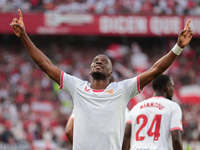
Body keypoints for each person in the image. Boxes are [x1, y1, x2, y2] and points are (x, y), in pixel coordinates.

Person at [10, 9, 193, 150]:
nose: (99, 62)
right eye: (95, 61)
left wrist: (178, 46)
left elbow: (156, 70)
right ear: (89, 71)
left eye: (104, 62)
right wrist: (24, 36)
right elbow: (46, 65)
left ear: (111, 73)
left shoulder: (122, 90)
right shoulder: (77, 87)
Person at [122, 74, 183, 150]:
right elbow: (176, 138)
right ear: (167, 88)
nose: (173, 90)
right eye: (172, 87)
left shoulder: (137, 107)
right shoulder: (173, 107)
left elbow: (125, 135)